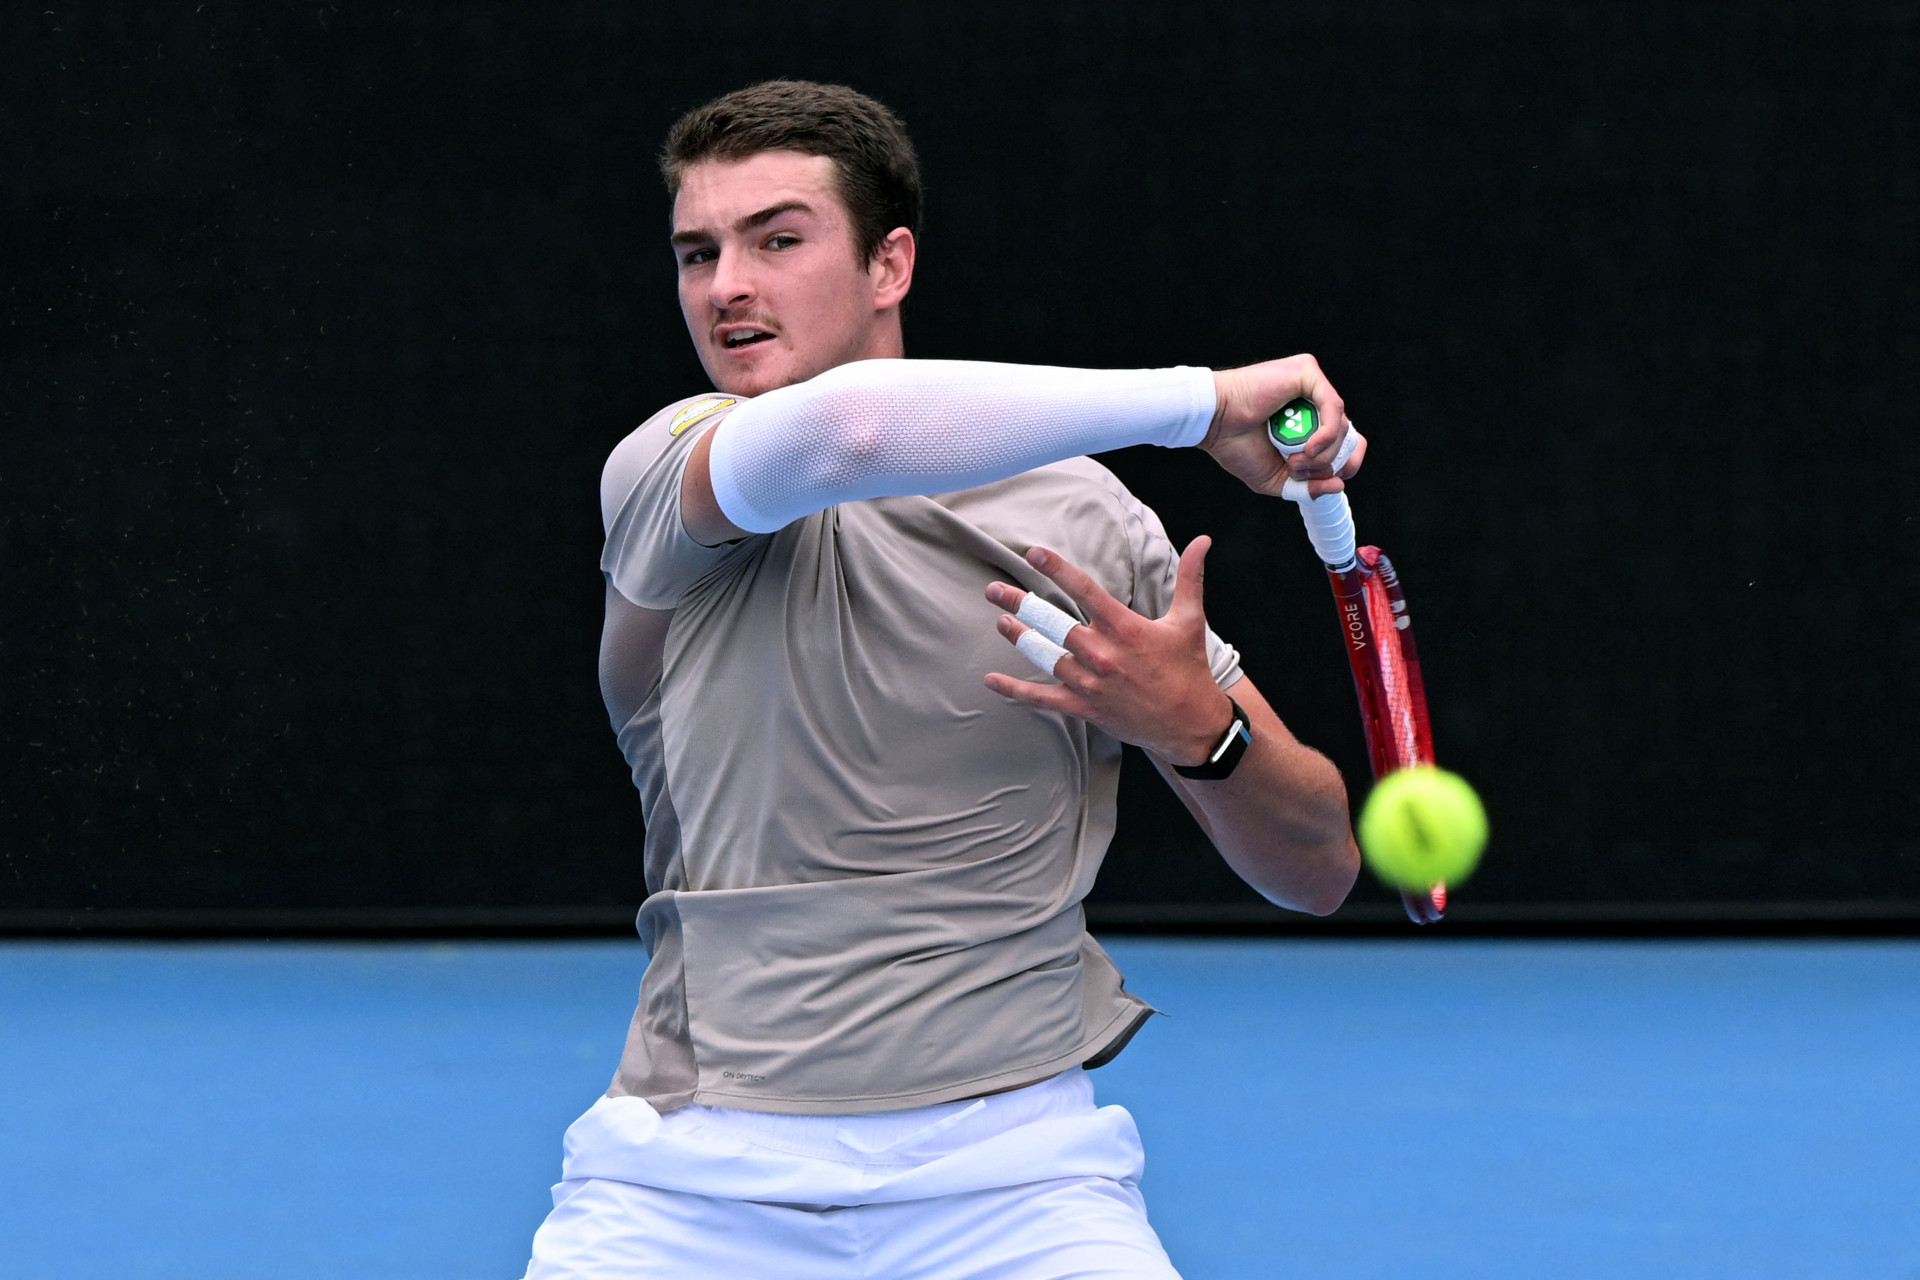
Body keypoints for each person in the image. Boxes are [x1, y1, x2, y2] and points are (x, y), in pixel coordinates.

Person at [523, 79, 1364, 1280]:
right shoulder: (665, 474)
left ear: (890, 264)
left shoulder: (1077, 516)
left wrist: (1201, 732)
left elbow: (1321, 866)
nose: (726, 287)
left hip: (1017, 1180)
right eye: (697, 252)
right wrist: (1204, 401)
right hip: (690, 1178)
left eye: (777, 239)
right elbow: (855, 431)